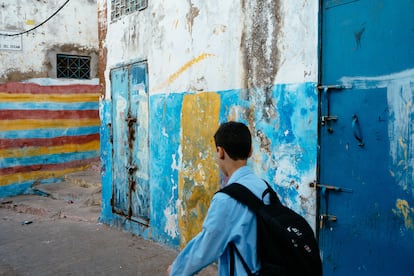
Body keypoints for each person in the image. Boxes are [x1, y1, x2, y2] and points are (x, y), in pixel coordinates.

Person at [168, 121, 270, 275]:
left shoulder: (226, 200)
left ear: (220, 151)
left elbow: (205, 246)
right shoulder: (265, 188)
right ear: (250, 151)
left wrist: (176, 270)